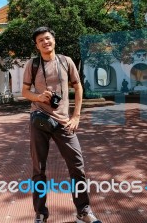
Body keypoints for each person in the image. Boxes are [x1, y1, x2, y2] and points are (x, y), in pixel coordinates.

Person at [22, 26, 102, 223]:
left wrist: (76, 116)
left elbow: (78, 86)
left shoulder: (66, 61)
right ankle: (40, 213)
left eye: (47, 38)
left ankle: (83, 211)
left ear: (54, 40)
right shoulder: (32, 64)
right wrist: (38, 97)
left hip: (64, 122)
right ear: (37, 45)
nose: (45, 42)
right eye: (40, 40)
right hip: (39, 119)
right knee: (38, 169)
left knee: (77, 165)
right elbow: (24, 92)